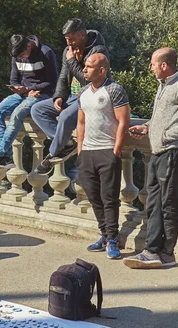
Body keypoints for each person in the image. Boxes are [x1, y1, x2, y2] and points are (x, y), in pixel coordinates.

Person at [123, 47, 178, 269]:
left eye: (153, 63)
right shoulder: (163, 86)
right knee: (154, 202)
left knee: (169, 204)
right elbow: (162, 117)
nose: (151, 67)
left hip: (173, 152)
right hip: (158, 153)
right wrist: (148, 128)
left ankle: (167, 254)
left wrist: (167, 136)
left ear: (164, 66)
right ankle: (151, 250)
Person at [30, 18, 109, 175]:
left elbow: (89, 79)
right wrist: (59, 96)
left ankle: (52, 154)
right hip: (73, 96)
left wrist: (72, 61)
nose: (69, 43)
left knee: (65, 117)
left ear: (82, 35)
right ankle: (66, 144)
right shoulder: (69, 52)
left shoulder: (98, 51)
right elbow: (63, 77)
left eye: (72, 39)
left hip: (91, 96)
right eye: (67, 40)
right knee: (37, 109)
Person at [76, 54, 130, 259]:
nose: (85, 70)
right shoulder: (83, 92)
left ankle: (113, 240)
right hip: (87, 152)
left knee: (109, 198)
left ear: (102, 70)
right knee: (94, 197)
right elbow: (80, 122)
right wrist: (80, 150)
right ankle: (104, 235)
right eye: (85, 66)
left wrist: (116, 151)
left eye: (89, 67)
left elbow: (123, 121)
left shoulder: (114, 90)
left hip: (107, 150)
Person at [0, 34, 58, 170]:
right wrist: (16, 87)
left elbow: (52, 82)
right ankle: (6, 156)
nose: (20, 58)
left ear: (29, 46)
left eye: (22, 55)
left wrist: (31, 89)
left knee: (17, 113)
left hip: (42, 94)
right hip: (23, 93)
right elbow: (14, 79)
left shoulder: (46, 53)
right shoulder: (16, 54)